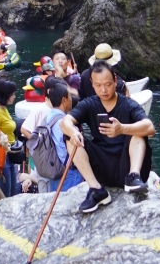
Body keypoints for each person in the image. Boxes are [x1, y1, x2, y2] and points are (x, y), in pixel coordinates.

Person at [62, 60, 154, 211]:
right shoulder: (89, 104)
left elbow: (150, 127)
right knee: (69, 137)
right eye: (98, 85)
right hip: (102, 165)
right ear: (92, 83)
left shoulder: (128, 104)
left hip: (126, 164)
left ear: (115, 80)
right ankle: (96, 190)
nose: (103, 90)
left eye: (108, 84)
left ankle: (133, 177)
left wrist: (122, 129)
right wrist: (73, 132)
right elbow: (65, 122)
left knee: (138, 131)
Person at [0, 77, 20, 198]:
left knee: (13, 191)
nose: (14, 96)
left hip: (10, 153)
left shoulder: (3, 108)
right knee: (5, 193)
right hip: (2, 154)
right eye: (12, 94)